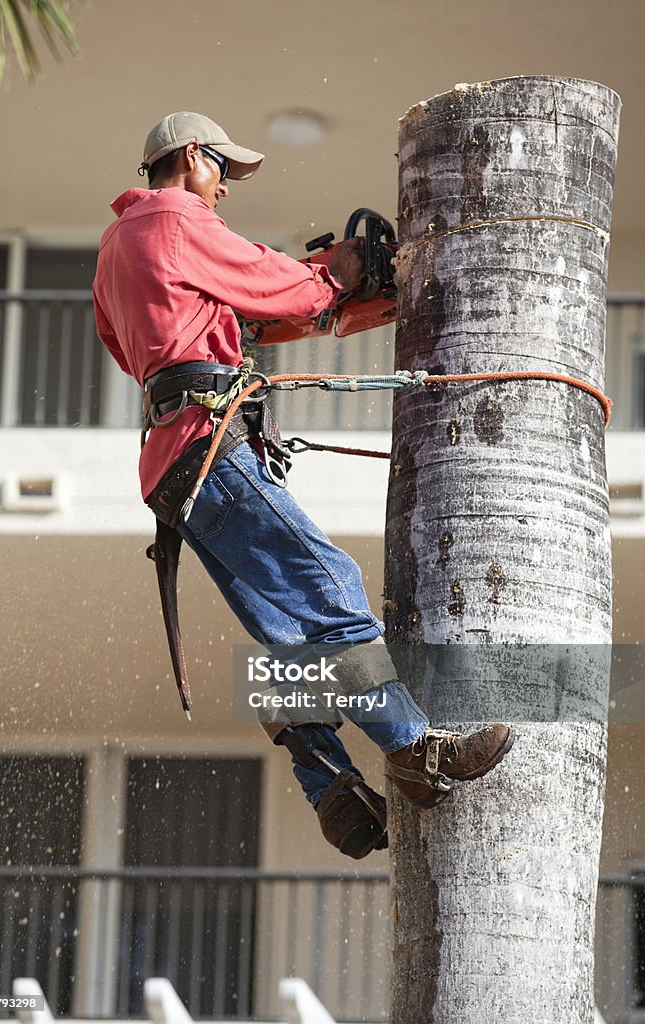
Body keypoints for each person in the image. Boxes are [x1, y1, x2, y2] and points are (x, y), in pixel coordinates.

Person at [93, 111, 514, 859]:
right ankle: (419, 756)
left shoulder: (113, 248)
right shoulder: (175, 217)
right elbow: (277, 287)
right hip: (210, 444)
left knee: (289, 642)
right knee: (332, 593)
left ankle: (335, 795)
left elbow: (145, 345)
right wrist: (338, 271)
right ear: (190, 156)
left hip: (172, 459)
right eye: (221, 168)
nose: (222, 186)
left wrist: (316, 305)